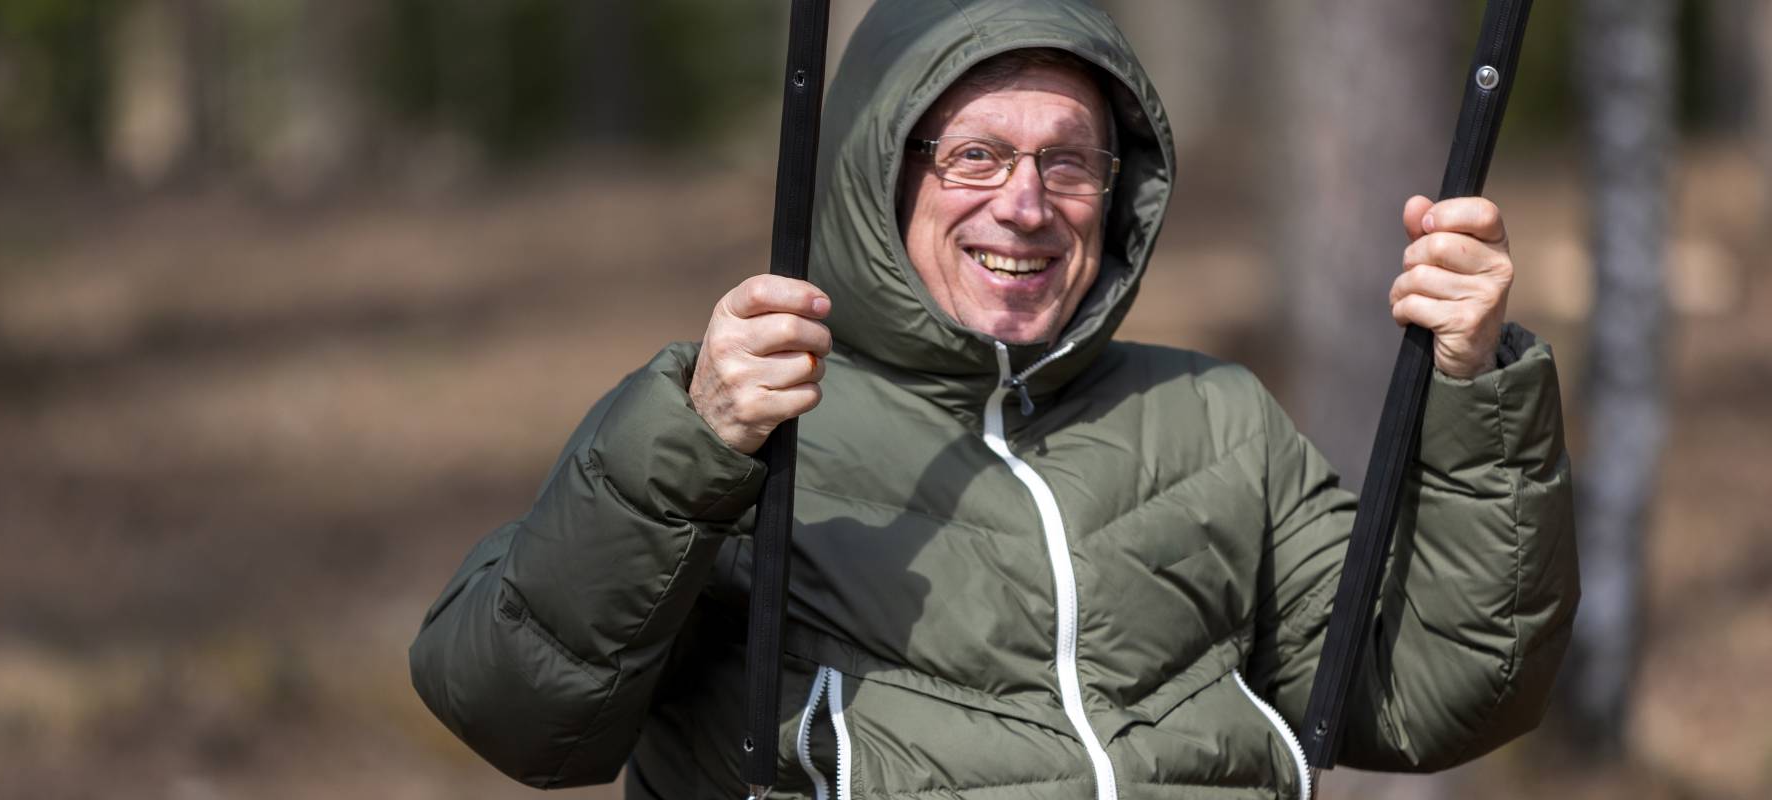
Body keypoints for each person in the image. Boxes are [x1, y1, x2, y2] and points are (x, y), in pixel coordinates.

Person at [409, 1, 1578, 798]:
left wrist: (1473, 382)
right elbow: (515, 708)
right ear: (881, 173)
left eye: (1069, 161)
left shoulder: (1217, 419)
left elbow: (1443, 687)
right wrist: (689, 439)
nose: (1026, 203)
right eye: (973, 155)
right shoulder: (751, 418)